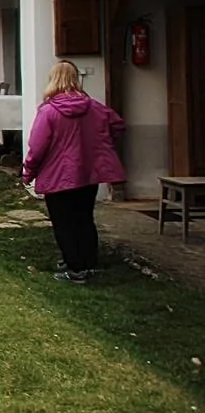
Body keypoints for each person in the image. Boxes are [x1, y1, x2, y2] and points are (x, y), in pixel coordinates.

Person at [24, 61, 126, 283]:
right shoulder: (95, 107)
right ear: (75, 79)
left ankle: (75, 267)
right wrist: (100, 146)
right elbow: (117, 125)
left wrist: (28, 172)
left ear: (52, 79)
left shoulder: (49, 111)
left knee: (63, 222)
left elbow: (37, 146)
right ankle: (88, 262)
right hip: (87, 173)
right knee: (84, 218)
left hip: (58, 174)